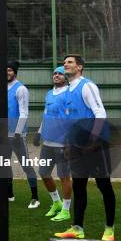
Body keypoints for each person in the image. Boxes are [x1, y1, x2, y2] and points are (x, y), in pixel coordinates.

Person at [55, 54, 116, 241]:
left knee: (103, 184)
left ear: (80, 67)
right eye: (64, 62)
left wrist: (93, 140)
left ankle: (109, 229)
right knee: (79, 186)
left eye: (70, 62)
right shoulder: (67, 91)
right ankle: (77, 228)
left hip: (95, 143)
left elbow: (100, 112)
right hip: (77, 145)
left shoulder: (87, 86)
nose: (66, 64)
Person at [33, 66, 72, 222]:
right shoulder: (49, 94)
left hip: (63, 142)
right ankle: (56, 202)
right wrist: (39, 132)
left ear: (66, 77)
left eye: (60, 73)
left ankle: (66, 210)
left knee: (64, 177)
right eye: (55, 73)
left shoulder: (70, 94)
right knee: (43, 173)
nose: (56, 75)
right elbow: (46, 115)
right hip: (48, 143)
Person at [4, 60, 39, 208]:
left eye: (10, 70)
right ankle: (9, 195)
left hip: (17, 135)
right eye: (5, 69)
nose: (7, 72)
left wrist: (18, 132)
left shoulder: (21, 89)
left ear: (15, 72)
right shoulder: (3, 88)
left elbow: (24, 113)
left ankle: (35, 198)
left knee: (26, 166)